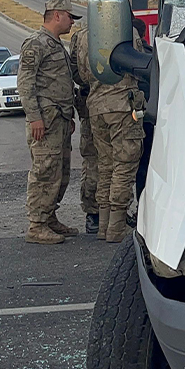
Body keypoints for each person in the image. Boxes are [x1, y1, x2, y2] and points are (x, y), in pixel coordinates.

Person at [76, 0, 147, 243]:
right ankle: (116, 227)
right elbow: (138, 67)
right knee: (124, 165)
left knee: (105, 167)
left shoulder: (83, 36)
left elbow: (82, 74)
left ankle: (104, 224)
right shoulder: (128, 34)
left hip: (96, 106)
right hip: (122, 104)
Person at [17, 0, 83, 245]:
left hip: (60, 120)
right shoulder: (36, 44)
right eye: (69, 17)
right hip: (45, 121)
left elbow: (61, 83)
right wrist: (34, 117)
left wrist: (70, 115)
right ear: (57, 15)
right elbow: (25, 84)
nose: (71, 23)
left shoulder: (56, 45)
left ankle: (49, 217)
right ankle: (37, 225)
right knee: (44, 172)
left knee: (60, 173)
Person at [69, 17, 101, 235]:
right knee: (104, 161)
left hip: (91, 103)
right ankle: (99, 213)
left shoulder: (80, 36)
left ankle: (96, 214)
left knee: (94, 160)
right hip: (104, 103)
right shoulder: (125, 32)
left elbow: (74, 71)